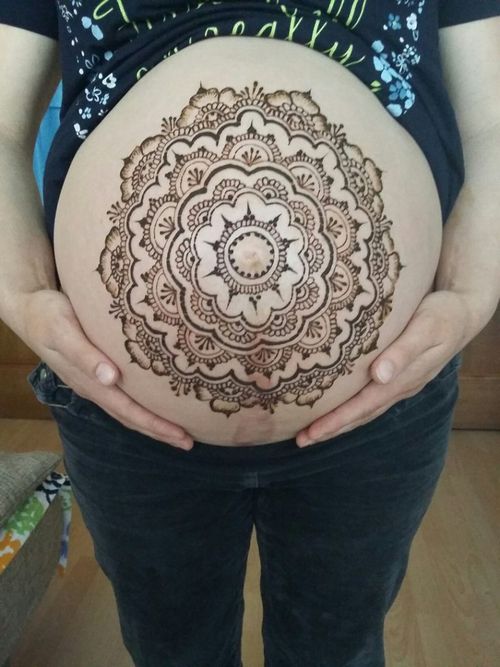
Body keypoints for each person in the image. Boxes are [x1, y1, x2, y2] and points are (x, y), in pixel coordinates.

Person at [0, 2, 499, 665]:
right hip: (122, 416)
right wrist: (20, 294)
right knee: (172, 649)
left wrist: (472, 295)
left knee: (337, 650)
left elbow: (493, 127)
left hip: (383, 409)